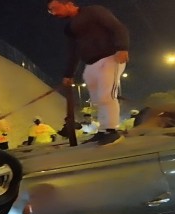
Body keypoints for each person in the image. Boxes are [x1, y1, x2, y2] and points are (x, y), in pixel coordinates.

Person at [47, 0, 129, 146]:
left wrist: (122, 47)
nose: (54, 13)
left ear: (68, 3)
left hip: (109, 57)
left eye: (55, 8)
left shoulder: (93, 11)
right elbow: (73, 51)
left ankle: (112, 131)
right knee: (97, 100)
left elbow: (117, 27)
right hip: (90, 64)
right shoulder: (69, 28)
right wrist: (68, 74)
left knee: (106, 95)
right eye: (50, 11)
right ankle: (103, 131)